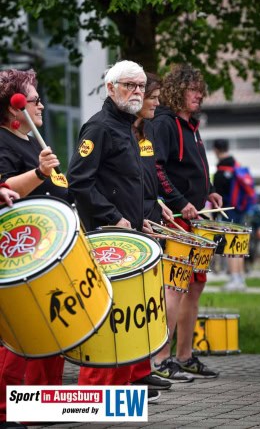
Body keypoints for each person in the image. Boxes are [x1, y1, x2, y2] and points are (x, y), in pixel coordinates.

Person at [67, 60, 162, 402]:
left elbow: (126, 183)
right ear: (110, 88)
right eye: (129, 85)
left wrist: (141, 218)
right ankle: (92, 399)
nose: (137, 91)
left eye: (140, 86)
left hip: (129, 233)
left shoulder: (127, 127)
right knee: (109, 323)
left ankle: (117, 398)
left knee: (125, 321)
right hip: (107, 237)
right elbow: (79, 181)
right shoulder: (100, 128)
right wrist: (112, 217)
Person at [0, 68, 68, 429]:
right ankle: (6, 412)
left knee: (53, 329)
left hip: (49, 251)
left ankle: (43, 406)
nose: (41, 105)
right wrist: (40, 174)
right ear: (16, 109)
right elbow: (4, 186)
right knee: (22, 334)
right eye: (35, 100)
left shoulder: (31, 141)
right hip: (23, 253)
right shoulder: (3, 141)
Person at [150, 64, 222, 381]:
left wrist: (211, 191)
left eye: (200, 90)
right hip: (177, 221)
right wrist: (181, 203)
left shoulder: (192, 126)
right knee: (175, 287)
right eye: (194, 89)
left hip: (197, 220)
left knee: (194, 287)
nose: (200, 95)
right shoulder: (164, 124)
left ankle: (185, 356)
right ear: (178, 90)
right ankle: (162, 358)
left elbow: (196, 168)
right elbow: (157, 169)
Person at [129, 73, 174, 391]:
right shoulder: (117, 132)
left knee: (150, 300)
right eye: (153, 97)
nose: (157, 103)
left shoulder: (144, 134)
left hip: (149, 217)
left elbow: (146, 180)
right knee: (134, 301)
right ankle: (131, 372)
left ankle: (143, 367)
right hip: (130, 225)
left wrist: (160, 202)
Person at [213, 138, 248, 291]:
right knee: (239, 245)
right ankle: (240, 278)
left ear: (216, 150)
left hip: (228, 211)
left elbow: (217, 198)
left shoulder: (222, 171)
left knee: (231, 247)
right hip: (241, 210)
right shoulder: (236, 166)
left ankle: (234, 279)